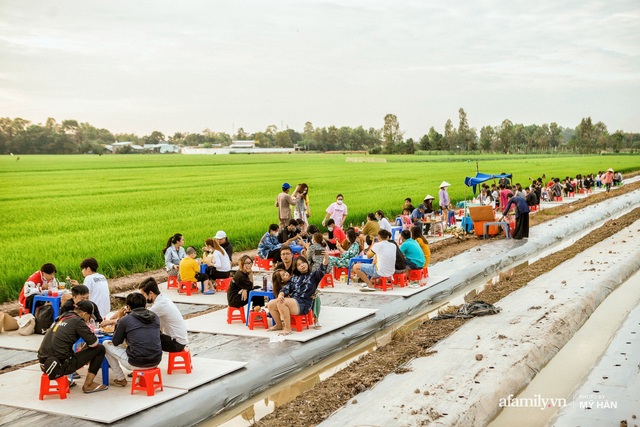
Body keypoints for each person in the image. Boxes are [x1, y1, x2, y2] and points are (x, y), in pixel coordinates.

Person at [38, 300, 107, 393]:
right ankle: (88, 384)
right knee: (100, 349)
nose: (89, 320)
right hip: (59, 366)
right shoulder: (78, 321)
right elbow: (94, 343)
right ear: (84, 314)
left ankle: (66, 381)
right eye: (89, 317)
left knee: (64, 349)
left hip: (44, 364)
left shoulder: (62, 317)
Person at [104, 293, 162, 387]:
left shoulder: (126, 320)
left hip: (136, 362)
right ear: (145, 305)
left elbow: (116, 342)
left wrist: (120, 319)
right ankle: (136, 377)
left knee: (105, 344)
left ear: (129, 307)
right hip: (156, 360)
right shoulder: (155, 316)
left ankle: (120, 378)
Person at [266, 253, 328, 335]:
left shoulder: (314, 275)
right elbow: (286, 288)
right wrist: (281, 294)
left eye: (303, 262)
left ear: (307, 263)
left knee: (281, 302)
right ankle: (279, 325)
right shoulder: (295, 277)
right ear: (296, 268)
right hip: (294, 301)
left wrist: (326, 258)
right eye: (299, 264)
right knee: (271, 304)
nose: (302, 265)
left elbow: (322, 268)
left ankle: (287, 329)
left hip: (303, 304)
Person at [138, 278, 188, 353]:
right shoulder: (163, 298)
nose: (142, 298)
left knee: (142, 336)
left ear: (151, 293)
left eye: (143, 295)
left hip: (176, 344)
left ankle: (147, 361)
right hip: (179, 340)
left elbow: (139, 318)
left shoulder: (160, 305)